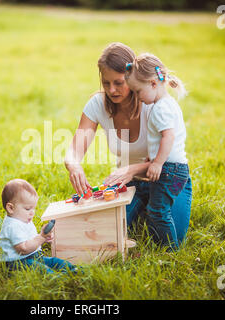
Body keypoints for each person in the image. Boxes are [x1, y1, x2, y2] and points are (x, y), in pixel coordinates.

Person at [64, 42, 192, 249]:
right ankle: (143, 208)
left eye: (118, 83)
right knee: (103, 230)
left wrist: (132, 168)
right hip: (130, 184)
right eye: (106, 83)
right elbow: (76, 148)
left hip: (167, 179)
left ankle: (148, 210)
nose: (111, 90)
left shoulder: (152, 104)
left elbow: (167, 158)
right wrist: (74, 165)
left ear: (133, 78)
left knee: (170, 236)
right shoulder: (98, 104)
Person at [123, 52, 190, 250]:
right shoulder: (168, 104)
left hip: (171, 169)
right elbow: (162, 139)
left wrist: (158, 162)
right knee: (158, 209)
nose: (137, 97)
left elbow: (168, 137)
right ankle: (165, 243)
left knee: (158, 210)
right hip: (176, 169)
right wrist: (153, 157)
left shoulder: (161, 108)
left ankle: (170, 249)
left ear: (153, 84)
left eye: (137, 91)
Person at [0, 178, 78, 273]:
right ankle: (59, 279)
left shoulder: (22, 218)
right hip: (17, 262)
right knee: (42, 270)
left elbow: (30, 240)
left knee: (53, 261)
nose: (32, 213)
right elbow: (23, 249)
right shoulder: (12, 226)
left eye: (33, 209)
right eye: (28, 209)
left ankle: (73, 270)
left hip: (34, 256)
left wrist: (44, 239)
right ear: (11, 208)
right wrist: (41, 237)